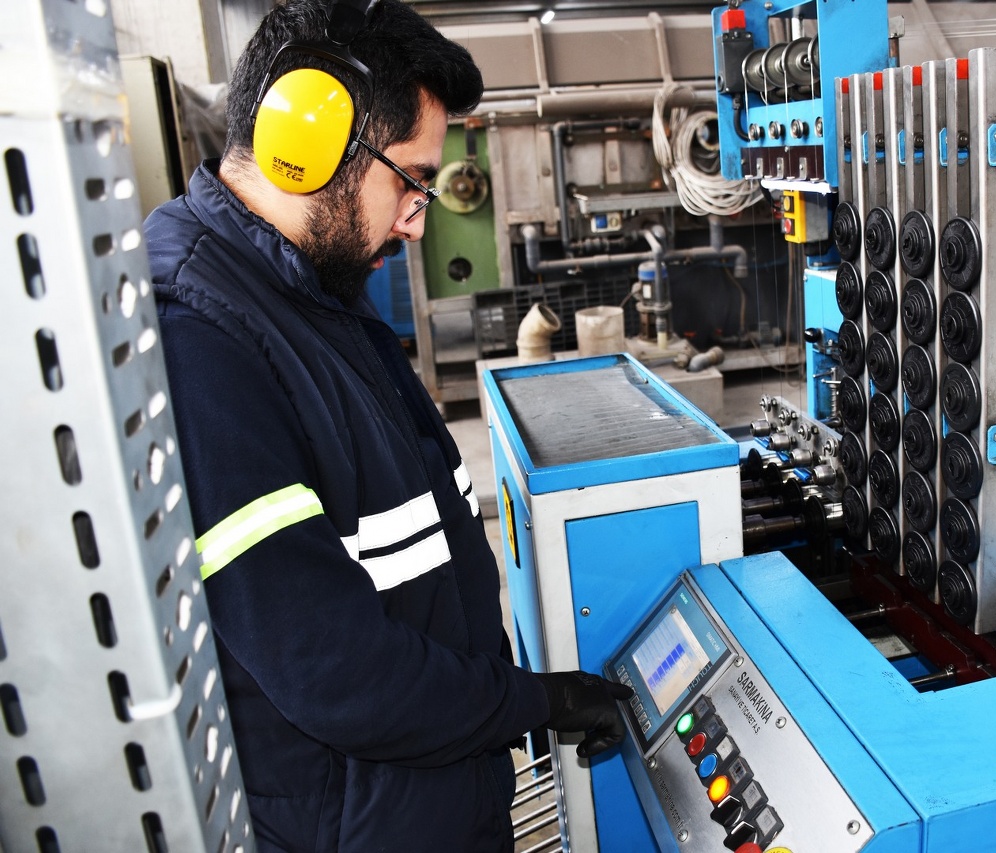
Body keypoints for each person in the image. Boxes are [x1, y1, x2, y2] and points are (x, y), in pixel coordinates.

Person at [143, 1, 632, 850]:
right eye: (410, 178)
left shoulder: (315, 292)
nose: (418, 216)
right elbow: (336, 671)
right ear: (306, 139)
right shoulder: (200, 341)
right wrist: (532, 701)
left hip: (434, 799)